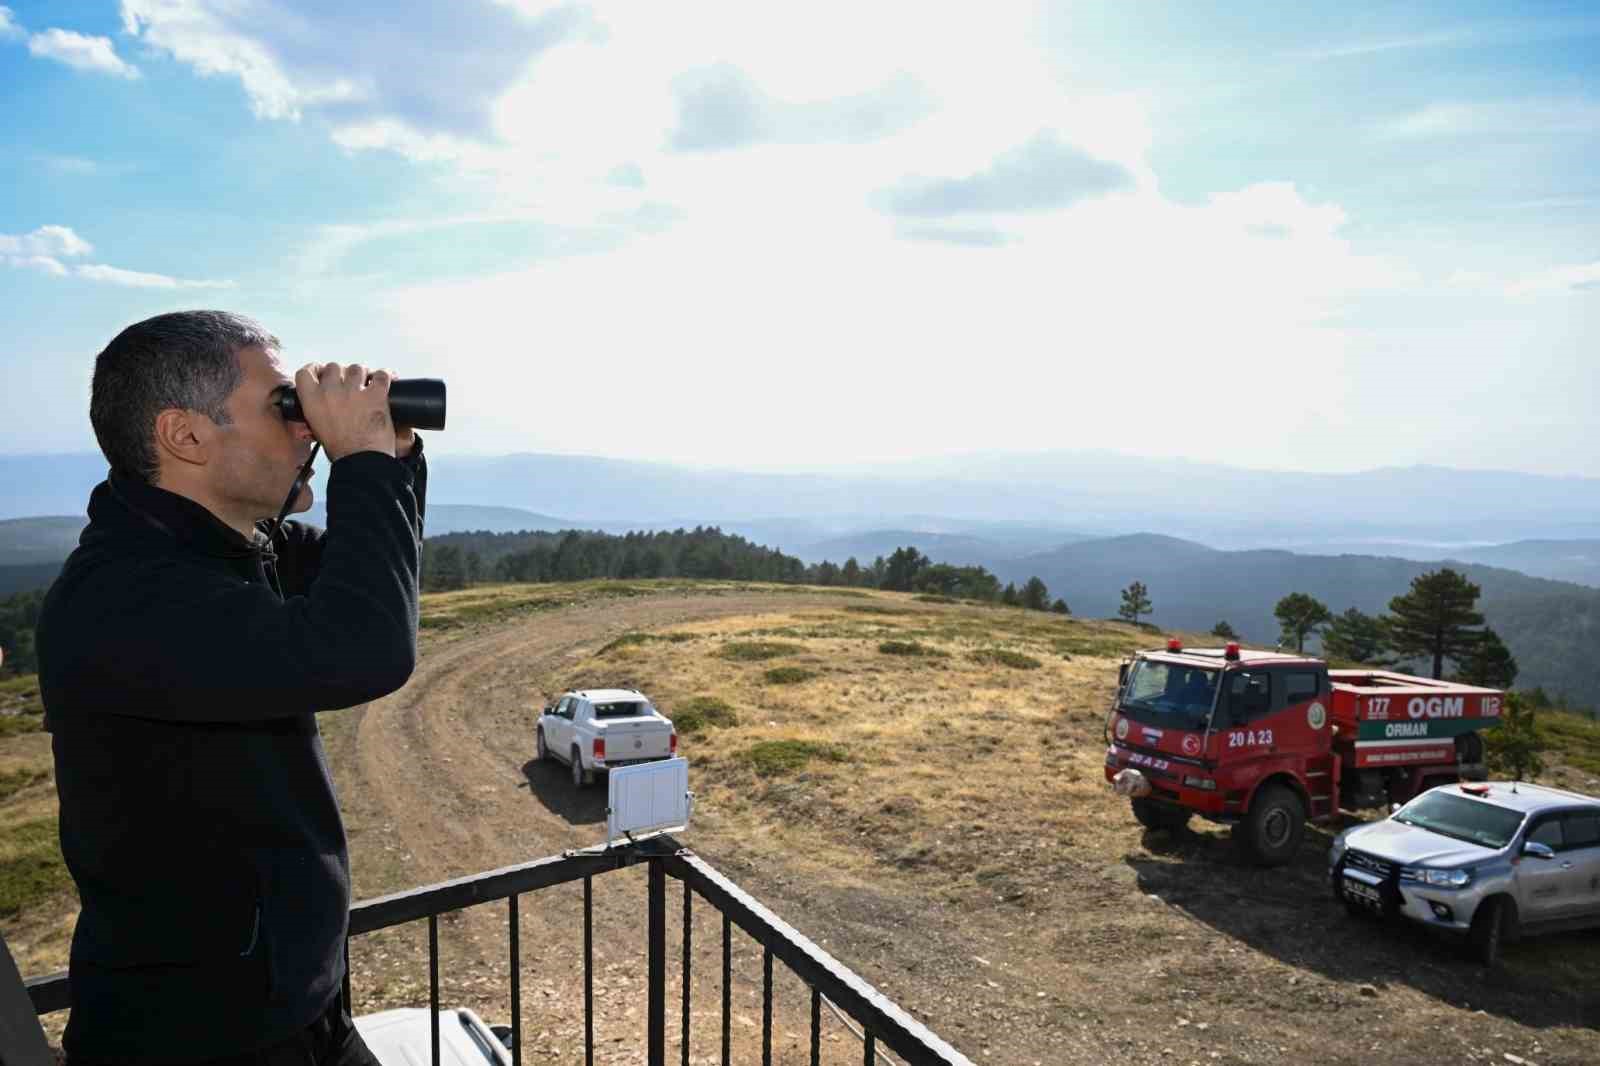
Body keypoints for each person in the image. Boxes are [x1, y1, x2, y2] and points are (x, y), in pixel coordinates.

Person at [36, 311, 427, 1065]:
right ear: (185, 436)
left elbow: (373, 580)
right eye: (286, 407)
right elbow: (366, 650)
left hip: (297, 1006)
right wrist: (361, 461)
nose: (307, 429)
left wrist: (392, 452)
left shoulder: (237, 549)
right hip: (199, 1038)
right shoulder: (124, 600)